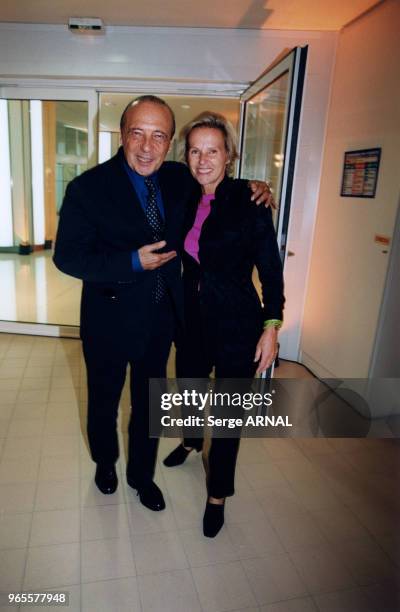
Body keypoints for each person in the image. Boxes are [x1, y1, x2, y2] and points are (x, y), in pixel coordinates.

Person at [53, 95, 273, 512]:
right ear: (122, 134)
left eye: (159, 136)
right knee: (104, 402)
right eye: (138, 133)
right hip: (108, 321)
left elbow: (215, 180)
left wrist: (257, 187)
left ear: (171, 143)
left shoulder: (178, 178)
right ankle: (105, 463)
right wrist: (131, 261)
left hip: (160, 321)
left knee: (148, 405)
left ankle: (141, 476)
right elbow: (67, 257)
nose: (147, 147)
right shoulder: (88, 188)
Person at [163, 111, 285, 536]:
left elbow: (270, 269)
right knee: (190, 388)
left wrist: (272, 325)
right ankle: (192, 441)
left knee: (229, 417)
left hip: (238, 323)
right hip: (192, 320)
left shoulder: (250, 201)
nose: (202, 160)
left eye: (212, 150)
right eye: (195, 150)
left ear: (229, 155)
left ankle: (217, 496)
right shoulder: (182, 195)